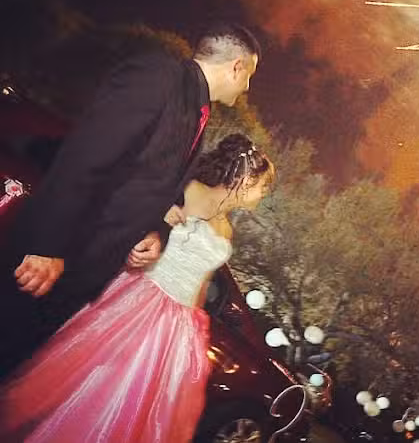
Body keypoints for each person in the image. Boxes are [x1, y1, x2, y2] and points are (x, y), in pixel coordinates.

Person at [0, 23, 261, 377]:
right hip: (53, 257)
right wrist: (47, 246)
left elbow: (152, 186)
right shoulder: (159, 76)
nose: (247, 87)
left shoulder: (198, 113)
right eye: (249, 76)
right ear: (237, 67)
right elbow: (86, 156)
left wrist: (155, 232)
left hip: (84, 270)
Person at [0, 134, 275, 442]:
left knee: (145, 406)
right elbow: (140, 228)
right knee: (101, 386)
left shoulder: (227, 227)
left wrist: (195, 325)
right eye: (263, 187)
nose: (262, 196)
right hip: (142, 298)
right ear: (245, 179)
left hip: (180, 322)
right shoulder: (190, 189)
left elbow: (204, 279)